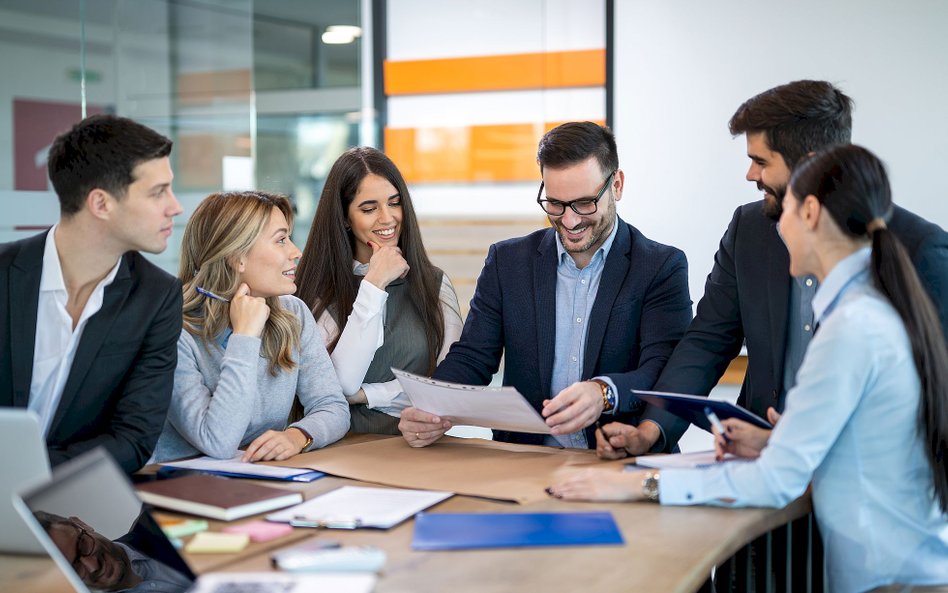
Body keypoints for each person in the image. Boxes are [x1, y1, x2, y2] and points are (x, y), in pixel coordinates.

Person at [550, 144, 948, 593]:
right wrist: (777, 439)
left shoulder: (851, 327)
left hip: (898, 578)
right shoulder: (867, 310)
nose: (777, 229)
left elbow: (777, 480)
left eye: (786, 213)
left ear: (812, 212)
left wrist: (640, 485)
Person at [596, 80, 948, 458]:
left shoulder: (923, 250)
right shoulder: (750, 229)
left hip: (866, 479)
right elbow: (707, 341)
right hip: (761, 467)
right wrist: (651, 432)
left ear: (811, 163)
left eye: (761, 161)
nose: (750, 174)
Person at [398, 122, 693, 449]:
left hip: (621, 457)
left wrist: (604, 392)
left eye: (584, 203)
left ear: (617, 185)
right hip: (528, 459)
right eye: (555, 203)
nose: (570, 221)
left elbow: (664, 370)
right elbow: (473, 358)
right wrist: (431, 408)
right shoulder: (507, 262)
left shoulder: (659, 266)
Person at [0, 114, 183, 473]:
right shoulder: (4, 273)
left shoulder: (156, 296)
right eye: (158, 192)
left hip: (76, 501)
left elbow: (134, 438)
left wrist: (28, 472)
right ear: (100, 204)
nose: (175, 206)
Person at [151, 191, 348, 462]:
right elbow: (218, 441)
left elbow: (333, 406)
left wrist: (298, 436)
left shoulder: (293, 313)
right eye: (280, 240)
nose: (296, 252)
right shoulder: (173, 331)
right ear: (237, 257)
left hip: (259, 478)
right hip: (180, 485)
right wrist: (244, 337)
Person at [294, 147, 463, 435]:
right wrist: (374, 285)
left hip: (419, 452)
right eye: (369, 209)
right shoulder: (316, 290)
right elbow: (342, 384)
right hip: (339, 452)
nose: (387, 219)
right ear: (345, 218)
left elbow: (449, 391)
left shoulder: (433, 285)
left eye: (394, 203)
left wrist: (367, 395)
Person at [35, 510, 192, 593]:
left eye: (83, 546)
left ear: (81, 524)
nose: (93, 565)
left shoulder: (161, 517)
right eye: (74, 569)